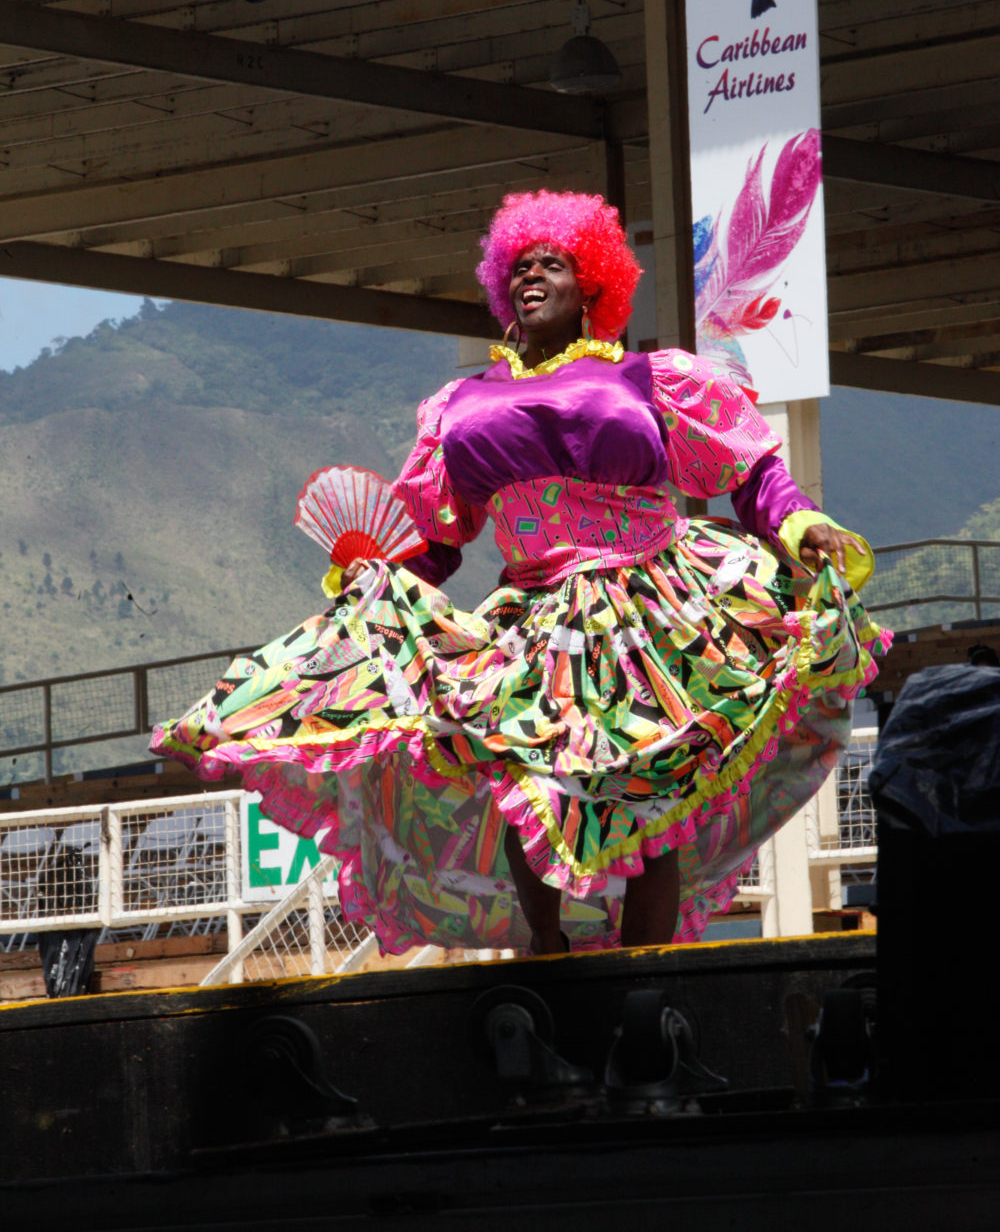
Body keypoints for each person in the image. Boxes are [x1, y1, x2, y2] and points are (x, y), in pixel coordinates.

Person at [151, 190, 889, 956]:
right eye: (521, 265)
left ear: (592, 286)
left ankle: (645, 968)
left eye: (555, 263)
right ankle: (547, 954)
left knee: (656, 789)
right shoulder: (460, 405)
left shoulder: (650, 378)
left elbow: (750, 469)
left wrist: (801, 523)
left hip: (652, 602)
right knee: (520, 777)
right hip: (536, 613)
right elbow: (434, 541)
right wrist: (377, 582)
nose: (533, 275)